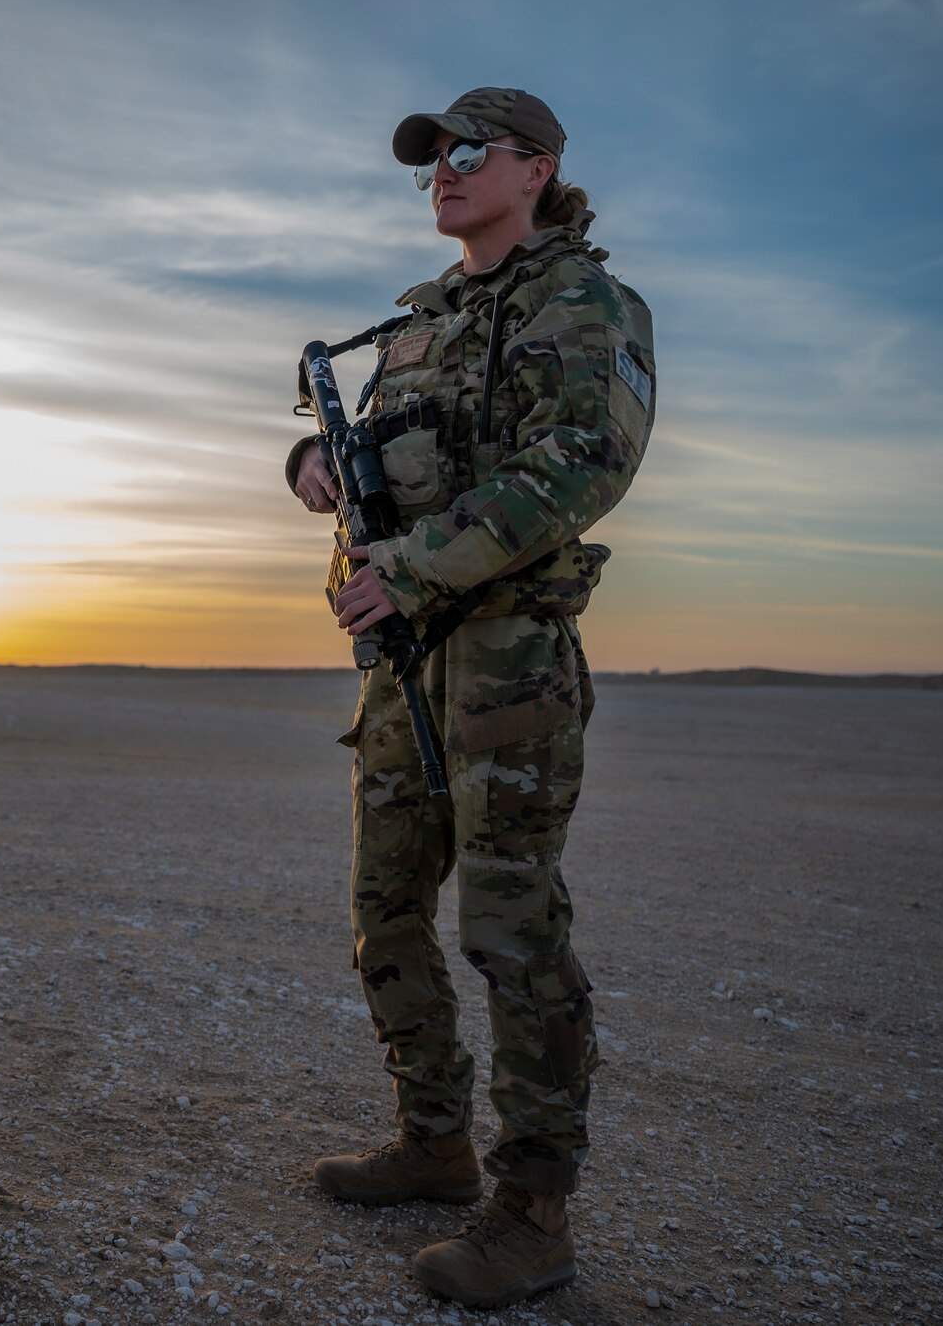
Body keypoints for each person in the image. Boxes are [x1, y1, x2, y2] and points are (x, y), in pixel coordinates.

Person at [285, 87, 654, 1309]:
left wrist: (410, 564)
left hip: (502, 651)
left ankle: (531, 1214)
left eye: (462, 152)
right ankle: (433, 1141)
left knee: (508, 928)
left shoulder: (581, 300)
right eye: (425, 161)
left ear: (535, 167)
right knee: (383, 906)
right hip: (401, 661)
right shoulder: (416, 324)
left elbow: (579, 465)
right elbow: (387, 462)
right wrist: (316, 471)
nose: (437, 173)